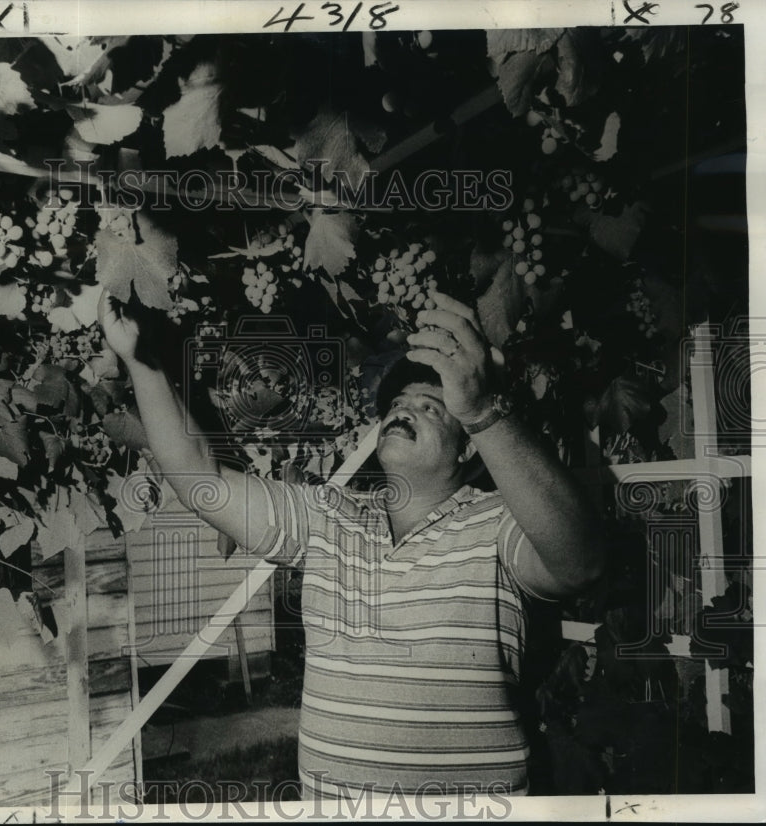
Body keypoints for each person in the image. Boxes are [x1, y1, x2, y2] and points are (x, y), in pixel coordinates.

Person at [98, 287, 605, 800]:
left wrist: (485, 412)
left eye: (430, 408)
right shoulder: (329, 518)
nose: (403, 410)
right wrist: (141, 360)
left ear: (468, 444)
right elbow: (200, 480)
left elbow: (579, 563)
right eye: (398, 404)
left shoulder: (499, 522)